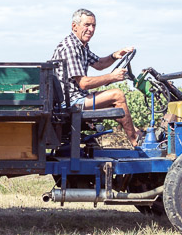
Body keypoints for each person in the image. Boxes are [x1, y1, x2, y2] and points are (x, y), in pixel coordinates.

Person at [51, 8, 143, 147]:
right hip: (70, 102)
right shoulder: (70, 47)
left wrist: (114, 56)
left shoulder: (81, 46)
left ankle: (137, 133)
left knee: (115, 102)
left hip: (77, 98)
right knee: (117, 95)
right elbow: (83, 83)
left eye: (93, 25)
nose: (91, 29)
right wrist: (112, 77)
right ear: (74, 26)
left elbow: (99, 64)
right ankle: (136, 141)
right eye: (87, 25)